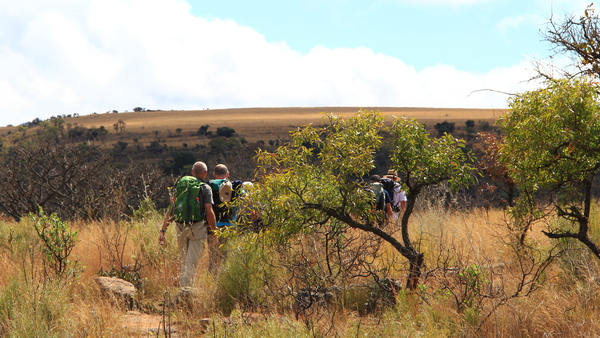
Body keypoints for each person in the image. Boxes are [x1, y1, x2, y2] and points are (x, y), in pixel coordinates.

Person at [159, 161, 216, 290]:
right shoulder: (205, 188)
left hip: (180, 227)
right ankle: (186, 293)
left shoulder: (181, 186)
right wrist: (214, 233)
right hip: (197, 228)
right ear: (205, 173)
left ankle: (183, 289)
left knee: (184, 261)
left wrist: (163, 230)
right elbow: (209, 213)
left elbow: (172, 209)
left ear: (192, 172)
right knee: (191, 263)